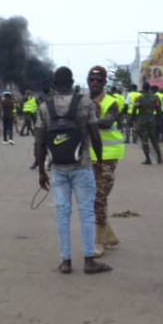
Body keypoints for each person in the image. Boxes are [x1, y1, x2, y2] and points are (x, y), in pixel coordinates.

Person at [35, 67, 111, 275]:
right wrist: (100, 162)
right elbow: (95, 136)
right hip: (82, 165)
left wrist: (41, 170)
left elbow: (40, 141)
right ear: (72, 81)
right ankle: (89, 260)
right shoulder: (85, 103)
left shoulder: (44, 107)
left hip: (58, 168)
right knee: (86, 212)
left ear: (54, 83)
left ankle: (66, 261)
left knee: (62, 214)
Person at [87, 67, 124, 256]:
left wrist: (85, 120)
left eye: (99, 80)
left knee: (99, 197)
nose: (94, 82)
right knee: (94, 199)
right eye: (92, 79)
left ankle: (98, 242)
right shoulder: (83, 101)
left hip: (108, 156)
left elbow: (108, 121)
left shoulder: (113, 102)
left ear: (104, 83)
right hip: (87, 156)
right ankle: (107, 235)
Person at [133, 82, 163, 165]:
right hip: (152, 120)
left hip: (142, 121)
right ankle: (159, 157)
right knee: (154, 140)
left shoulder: (139, 98)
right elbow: (159, 111)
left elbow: (134, 110)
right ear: (149, 88)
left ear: (143, 88)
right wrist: (160, 121)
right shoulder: (155, 98)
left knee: (144, 140)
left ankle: (148, 159)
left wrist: (132, 120)